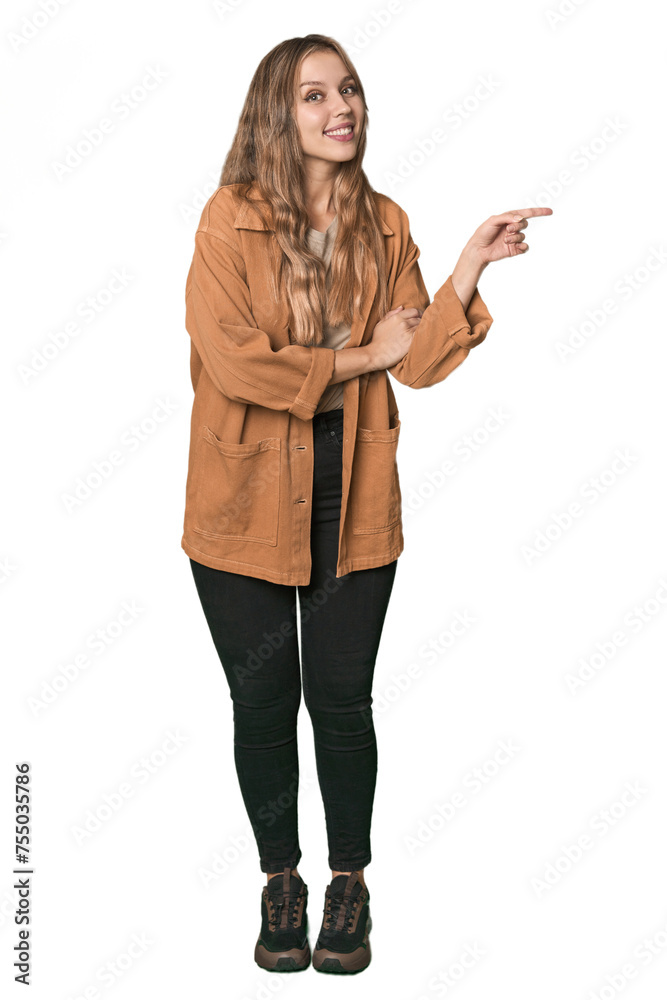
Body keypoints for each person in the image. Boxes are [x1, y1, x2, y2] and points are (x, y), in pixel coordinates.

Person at [181, 33, 552, 976]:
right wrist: (360, 356)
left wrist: (465, 269)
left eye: (346, 89)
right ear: (276, 113)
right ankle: (281, 879)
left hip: (351, 495)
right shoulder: (228, 220)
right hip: (241, 499)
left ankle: (348, 883)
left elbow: (415, 364)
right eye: (314, 95)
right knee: (262, 704)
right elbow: (237, 362)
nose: (340, 107)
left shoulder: (385, 223)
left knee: (341, 702)